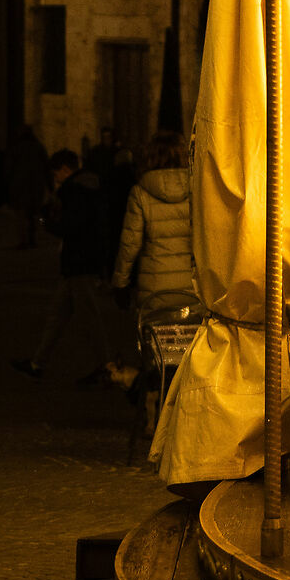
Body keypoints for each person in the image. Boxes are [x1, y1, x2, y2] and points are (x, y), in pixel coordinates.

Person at [110, 133, 194, 432]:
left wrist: (119, 284)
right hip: (191, 295)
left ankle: (155, 417)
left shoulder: (140, 193)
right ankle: (187, 419)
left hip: (154, 295)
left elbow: (129, 246)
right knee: (191, 355)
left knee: (156, 357)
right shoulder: (197, 189)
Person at [12, 150, 109, 381]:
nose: (55, 178)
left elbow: (70, 227)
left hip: (79, 262)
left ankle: (107, 368)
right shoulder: (92, 186)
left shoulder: (75, 191)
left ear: (65, 169)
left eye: (56, 173)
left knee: (90, 318)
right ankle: (38, 363)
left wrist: (47, 222)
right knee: (57, 315)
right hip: (81, 260)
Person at [5, 124, 50, 248]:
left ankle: (23, 240)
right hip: (35, 186)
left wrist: (7, 185)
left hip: (20, 186)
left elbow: (9, 169)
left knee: (21, 215)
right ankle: (31, 238)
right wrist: (50, 186)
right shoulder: (38, 147)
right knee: (32, 214)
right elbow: (46, 167)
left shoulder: (16, 148)